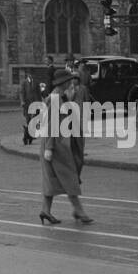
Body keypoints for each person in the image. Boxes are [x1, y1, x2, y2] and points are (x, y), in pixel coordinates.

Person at [38, 88, 93, 225]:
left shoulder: (63, 100)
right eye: (71, 88)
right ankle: (79, 211)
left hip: (60, 145)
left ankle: (46, 210)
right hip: (56, 147)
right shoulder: (56, 101)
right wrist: (49, 148)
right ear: (65, 88)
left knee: (52, 180)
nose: (74, 90)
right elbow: (52, 125)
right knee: (68, 177)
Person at [20, 72, 41, 145]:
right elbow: (22, 92)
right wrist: (22, 101)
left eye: (32, 74)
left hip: (35, 104)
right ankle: (27, 136)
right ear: (27, 75)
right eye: (30, 74)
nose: (31, 75)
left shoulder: (36, 82)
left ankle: (31, 135)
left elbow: (39, 93)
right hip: (27, 105)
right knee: (28, 120)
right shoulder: (24, 83)